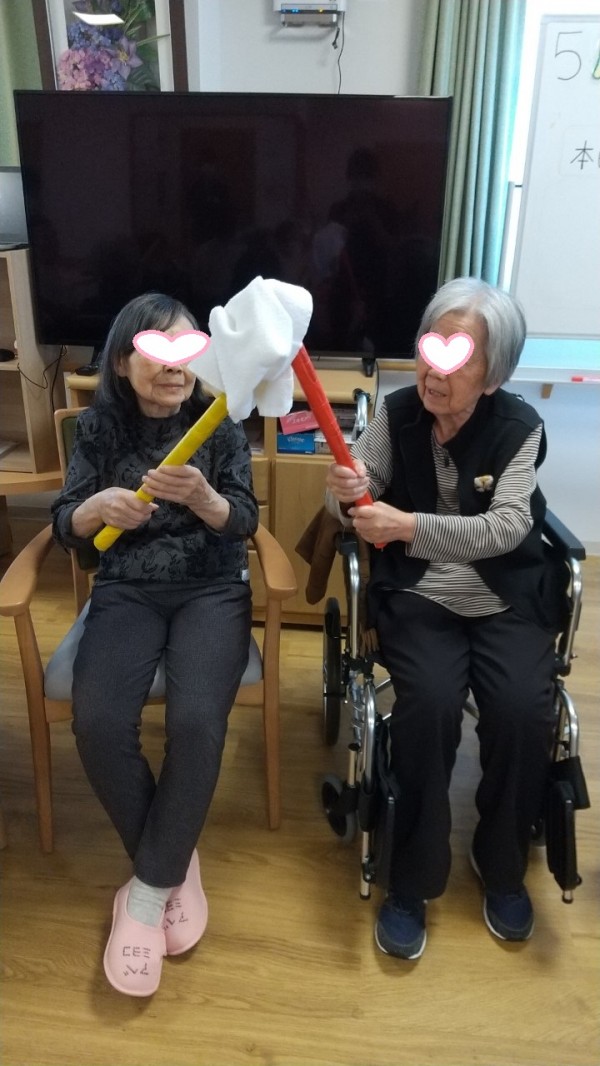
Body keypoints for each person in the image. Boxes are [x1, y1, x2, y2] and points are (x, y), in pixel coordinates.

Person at [326, 277, 561, 960]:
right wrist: (346, 492)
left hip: (504, 592)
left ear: (494, 375)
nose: (435, 371)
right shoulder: (396, 413)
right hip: (420, 592)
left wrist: (406, 525)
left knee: (523, 709)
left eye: (459, 357)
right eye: (432, 347)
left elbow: (506, 529)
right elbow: (355, 495)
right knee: (427, 706)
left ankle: (502, 862)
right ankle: (411, 877)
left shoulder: (520, 428)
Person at [51, 292, 258, 996]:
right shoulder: (97, 428)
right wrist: (94, 508)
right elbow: (65, 524)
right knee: (98, 721)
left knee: (197, 722)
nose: (173, 366)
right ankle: (172, 857)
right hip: (127, 590)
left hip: (212, 590)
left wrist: (205, 499)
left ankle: (144, 896)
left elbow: (245, 521)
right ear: (121, 360)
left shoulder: (220, 421)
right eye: (155, 349)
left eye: (186, 349)